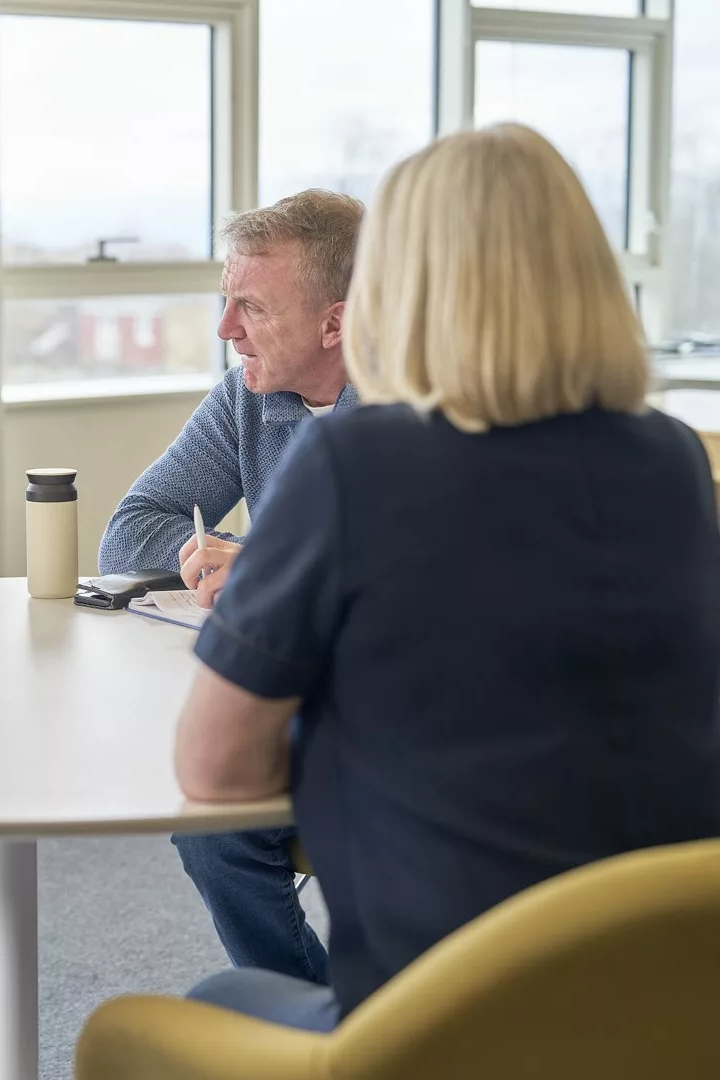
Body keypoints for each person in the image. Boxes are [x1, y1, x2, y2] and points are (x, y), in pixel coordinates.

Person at [173, 123, 720, 1032]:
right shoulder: (671, 459)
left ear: (400, 286)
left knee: (213, 1006)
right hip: (668, 997)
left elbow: (215, 770)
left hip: (451, 1021)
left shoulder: (356, 460)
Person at [100, 190, 364, 986]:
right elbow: (132, 528)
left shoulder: (413, 419)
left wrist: (262, 565)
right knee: (209, 817)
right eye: (226, 301)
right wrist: (232, 554)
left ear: (336, 322)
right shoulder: (249, 393)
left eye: (249, 306)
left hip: (385, 704)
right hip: (290, 693)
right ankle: (310, 1006)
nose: (226, 329)